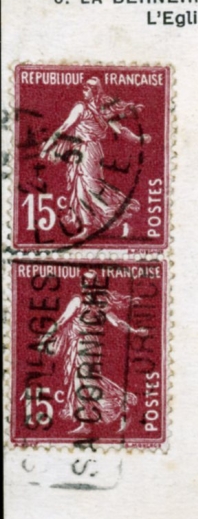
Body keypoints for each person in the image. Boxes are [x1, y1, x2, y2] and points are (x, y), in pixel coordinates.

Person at [39, 77, 151, 239]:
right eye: (84, 88)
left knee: (91, 187)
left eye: (87, 89)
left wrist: (138, 139)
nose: (84, 91)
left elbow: (65, 128)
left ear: (95, 91)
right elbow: (66, 127)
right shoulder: (91, 109)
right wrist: (138, 139)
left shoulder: (91, 109)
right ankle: (87, 228)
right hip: (83, 151)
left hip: (88, 150)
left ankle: (118, 217)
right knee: (80, 188)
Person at [37, 272, 148, 434]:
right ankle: (86, 423)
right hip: (78, 345)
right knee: (78, 384)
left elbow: (117, 322)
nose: (88, 287)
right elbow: (62, 321)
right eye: (87, 283)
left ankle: (122, 405)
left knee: (89, 382)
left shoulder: (97, 302)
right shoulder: (84, 301)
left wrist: (135, 331)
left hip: (87, 346)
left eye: (91, 283)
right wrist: (45, 338)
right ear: (83, 285)